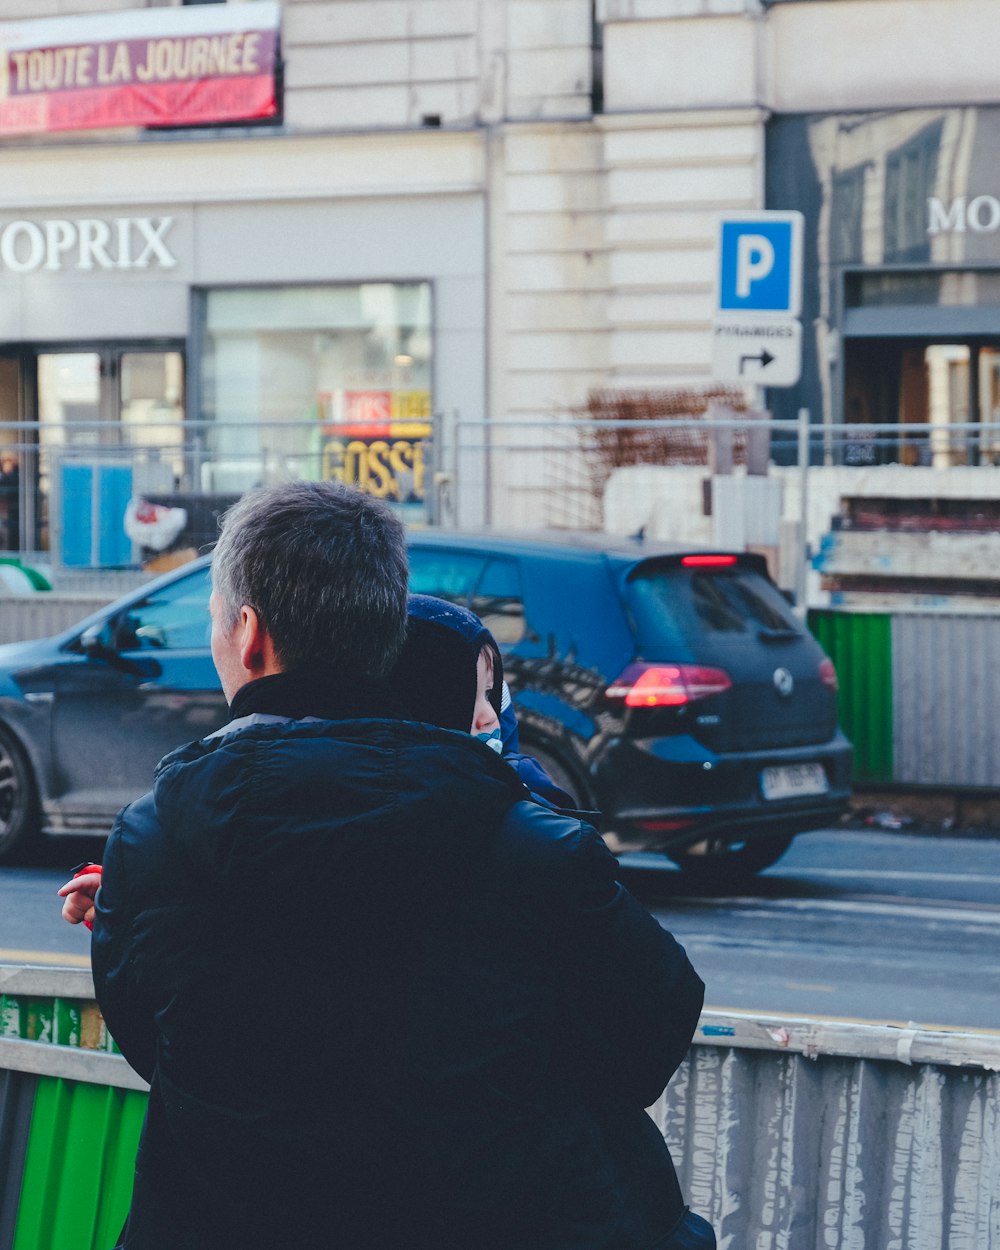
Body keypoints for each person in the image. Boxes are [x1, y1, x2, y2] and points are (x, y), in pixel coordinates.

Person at [62, 479, 711, 1250]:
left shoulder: (152, 846)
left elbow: (155, 1046)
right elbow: (648, 1036)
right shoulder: (538, 849)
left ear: (249, 634)